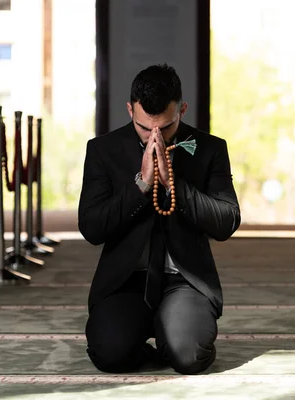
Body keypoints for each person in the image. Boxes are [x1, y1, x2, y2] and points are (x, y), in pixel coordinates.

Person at [78, 64, 241, 375]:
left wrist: (174, 185)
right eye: (143, 127)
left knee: (189, 357)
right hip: (126, 281)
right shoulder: (103, 150)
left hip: (185, 280)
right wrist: (141, 185)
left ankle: (176, 335)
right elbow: (92, 227)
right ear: (129, 110)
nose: (155, 136)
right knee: (109, 354)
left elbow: (227, 221)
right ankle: (147, 338)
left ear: (182, 109)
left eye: (166, 127)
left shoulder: (210, 149)